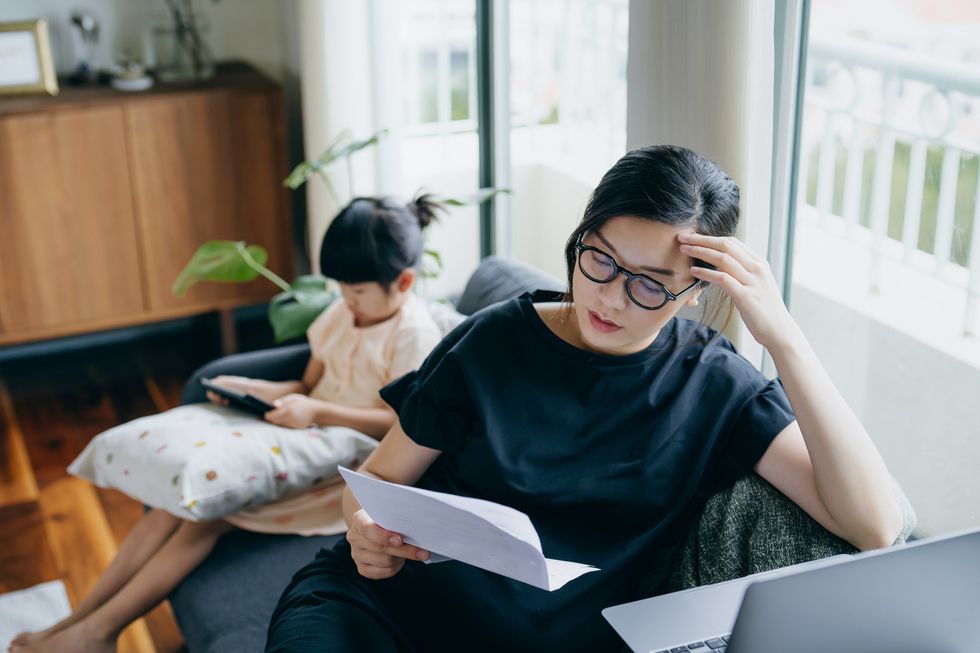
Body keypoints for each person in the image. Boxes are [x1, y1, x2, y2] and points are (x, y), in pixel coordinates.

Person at [264, 145, 905, 653]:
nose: (611, 297)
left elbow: (875, 526)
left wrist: (785, 338)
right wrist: (365, 531)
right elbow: (375, 480)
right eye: (599, 260)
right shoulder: (494, 341)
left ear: (694, 293)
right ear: (582, 236)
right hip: (382, 611)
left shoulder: (712, 384)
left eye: (651, 286)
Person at [11, 196, 445, 653]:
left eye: (356, 291)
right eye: (340, 288)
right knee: (169, 507)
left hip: (343, 468)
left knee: (202, 520)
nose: (345, 300)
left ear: (404, 281)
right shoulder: (343, 314)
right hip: (299, 433)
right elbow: (308, 379)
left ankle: (97, 633)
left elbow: (400, 427)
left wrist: (317, 412)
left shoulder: (413, 336)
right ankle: (77, 622)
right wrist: (258, 390)